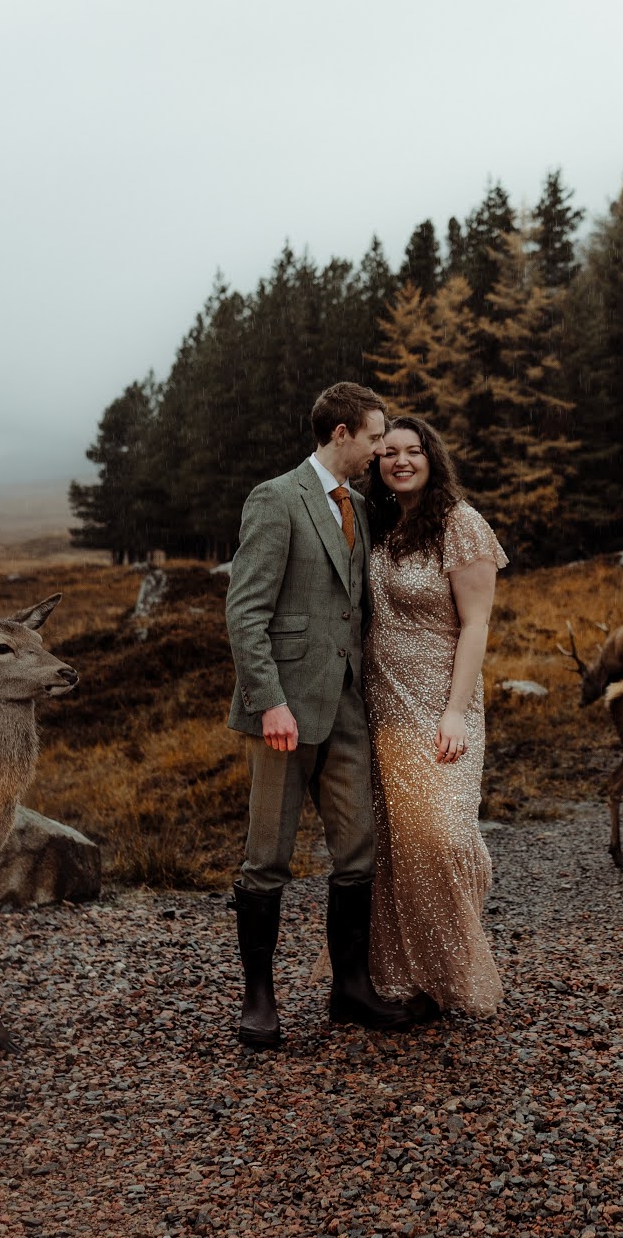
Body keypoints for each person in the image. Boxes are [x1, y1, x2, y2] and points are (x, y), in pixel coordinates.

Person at [222, 382, 428, 1050]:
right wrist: (269, 700)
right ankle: (259, 998)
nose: (379, 449)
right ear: (340, 433)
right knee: (266, 858)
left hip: (345, 706)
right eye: (373, 436)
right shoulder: (276, 499)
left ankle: (352, 990)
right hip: (282, 710)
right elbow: (245, 612)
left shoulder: (363, 509)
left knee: (359, 846)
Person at [362, 416, 508, 1016]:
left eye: (412, 451)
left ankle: (455, 964)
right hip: (383, 702)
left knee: (445, 835)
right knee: (397, 841)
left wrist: (453, 712)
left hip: (441, 704)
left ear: (431, 456)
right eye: (388, 452)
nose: (400, 461)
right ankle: (403, 976)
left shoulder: (460, 523)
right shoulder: (378, 523)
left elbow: (476, 625)